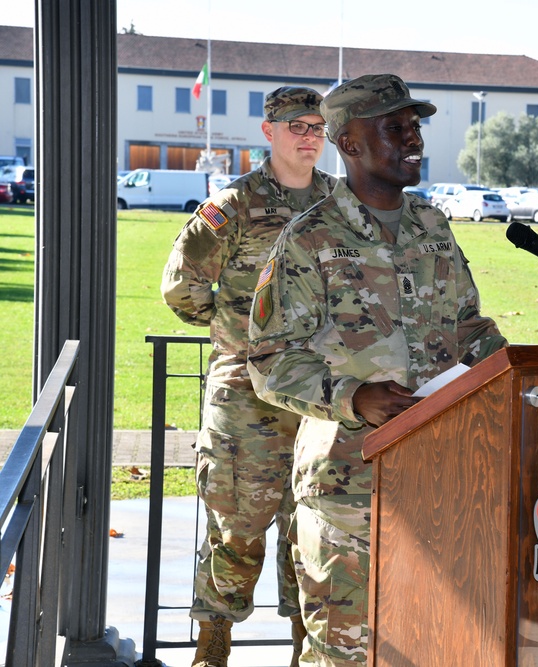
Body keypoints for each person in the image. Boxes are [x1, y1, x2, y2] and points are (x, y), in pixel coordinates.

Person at [246, 73, 507, 665]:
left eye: (415, 126)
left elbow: (468, 325)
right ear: (351, 143)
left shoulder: (433, 227)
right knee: (346, 651)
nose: (413, 139)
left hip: (444, 475)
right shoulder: (308, 239)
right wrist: (353, 397)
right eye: (395, 127)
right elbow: (268, 360)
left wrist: (511, 372)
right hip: (349, 485)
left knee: (435, 641)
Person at [161, 85, 337, 667]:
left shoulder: (337, 203)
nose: (309, 137)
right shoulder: (233, 204)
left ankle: (302, 646)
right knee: (235, 523)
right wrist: (238, 334)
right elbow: (180, 285)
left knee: (312, 527)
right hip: (246, 395)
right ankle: (214, 643)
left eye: (317, 126)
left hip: (318, 394)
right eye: (297, 126)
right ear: (269, 132)